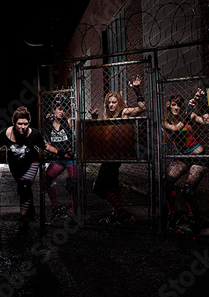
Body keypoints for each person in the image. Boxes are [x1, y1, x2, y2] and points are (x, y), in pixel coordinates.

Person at [0, 106, 71, 236]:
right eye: (19, 124)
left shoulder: (34, 133)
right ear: (14, 123)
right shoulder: (6, 134)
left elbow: (45, 146)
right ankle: (31, 213)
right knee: (23, 189)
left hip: (32, 163)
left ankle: (22, 219)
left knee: (25, 185)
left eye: (25, 124)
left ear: (29, 123)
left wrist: (61, 153)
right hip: (15, 165)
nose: (22, 127)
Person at [90, 75, 146, 226]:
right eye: (109, 102)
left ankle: (121, 212)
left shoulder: (124, 112)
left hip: (116, 156)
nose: (111, 105)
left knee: (99, 187)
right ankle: (117, 215)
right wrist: (95, 117)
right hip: (109, 155)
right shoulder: (109, 117)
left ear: (119, 102)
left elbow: (142, 108)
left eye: (114, 102)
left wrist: (136, 89)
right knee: (113, 186)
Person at [162, 88, 209, 234]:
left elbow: (207, 121)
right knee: (167, 182)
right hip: (183, 156)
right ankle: (173, 215)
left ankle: (197, 221)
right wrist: (189, 111)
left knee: (188, 190)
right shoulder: (165, 122)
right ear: (168, 105)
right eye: (173, 105)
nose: (176, 108)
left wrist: (201, 103)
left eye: (179, 105)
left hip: (198, 156)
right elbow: (177, 129)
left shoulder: (188, 115)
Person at [43, 95, 77, 222]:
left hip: (69, 157)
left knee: (73, 183)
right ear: (53, 111)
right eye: (59, 109)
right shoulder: (48, 123)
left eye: (63, 109)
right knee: (46, 179)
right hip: (57, 158)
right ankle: (54, 205)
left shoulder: (67, 122)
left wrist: (63, 100)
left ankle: (75, 209)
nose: (61, 112)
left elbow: (72, 112)